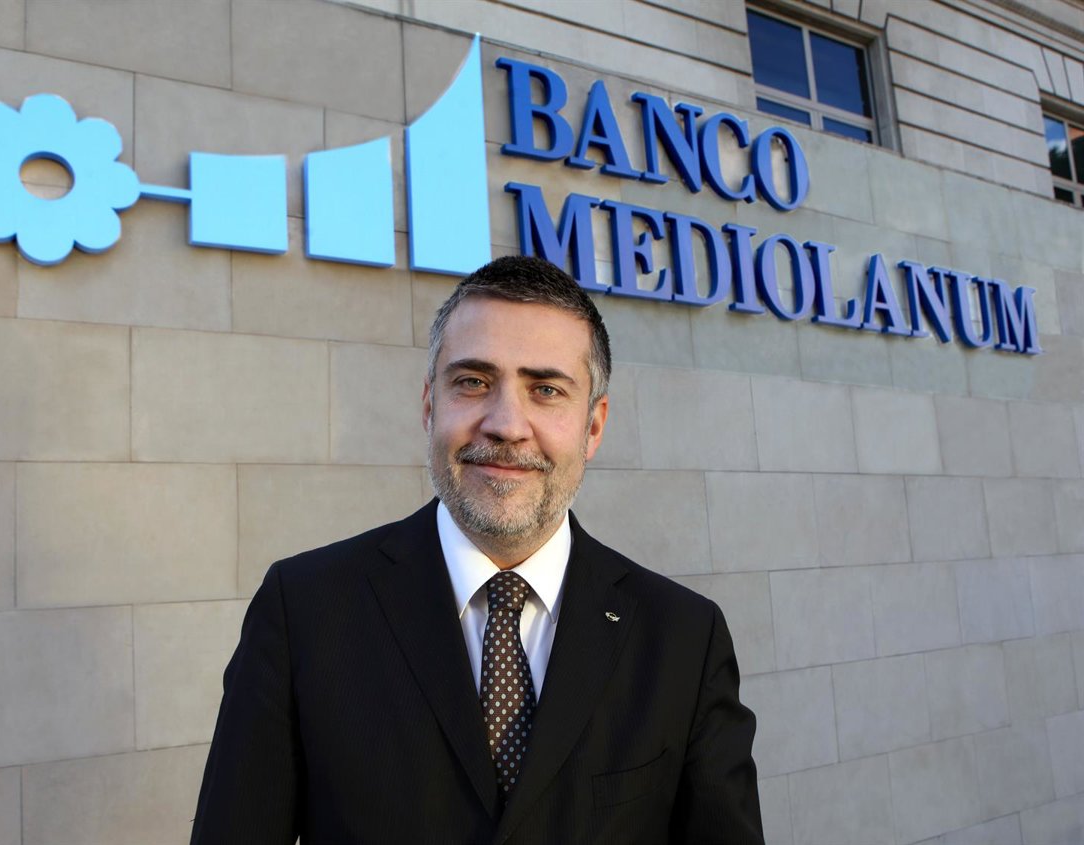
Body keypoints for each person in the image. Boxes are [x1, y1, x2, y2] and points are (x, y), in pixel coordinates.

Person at [190, 255, 763, 844]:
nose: (506, 425)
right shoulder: (304, 611)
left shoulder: (684, 638)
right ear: (429, 405)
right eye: (473, 382)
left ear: (593, 426)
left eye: (545, 390)